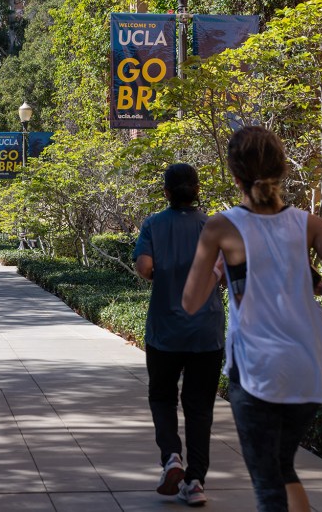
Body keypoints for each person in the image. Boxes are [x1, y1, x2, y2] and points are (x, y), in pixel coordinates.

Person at [182, 126, 322, 512]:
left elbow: (191, 302)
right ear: (282, 169)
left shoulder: (221, 226)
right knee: (281, 466)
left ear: (234, 175)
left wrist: (217, 271)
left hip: (257, 369)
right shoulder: (309, 224)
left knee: (267, 485)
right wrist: (320, 288)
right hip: (309, 367)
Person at [133, 163, 225, 507]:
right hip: (207, 333)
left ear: (167, 192)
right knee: (200, 407)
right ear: (197, 190)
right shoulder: (216, 227)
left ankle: (172, 457)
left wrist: (161, 273)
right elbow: (230, 276)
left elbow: (144, 267)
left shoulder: (154, 224)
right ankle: (196, 481)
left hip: (164, 331)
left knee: (162, 397)